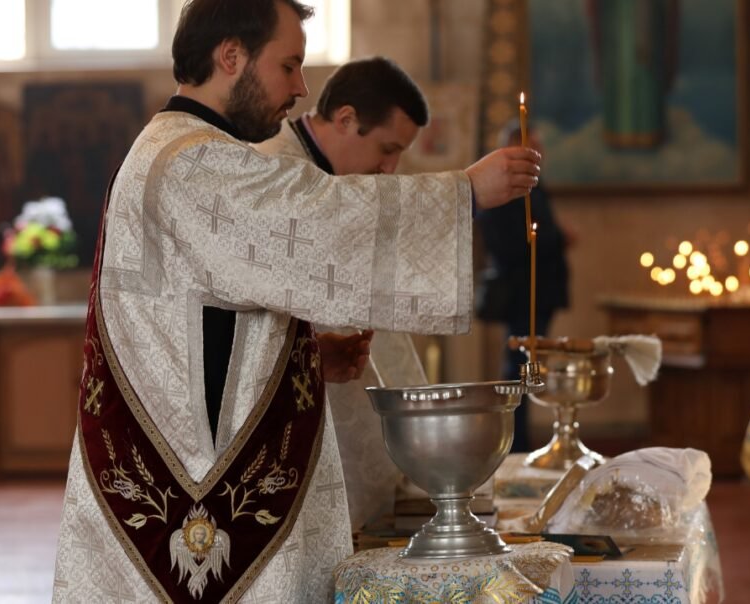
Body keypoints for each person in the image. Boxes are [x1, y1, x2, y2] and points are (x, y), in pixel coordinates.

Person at [52, 1, 541, 602]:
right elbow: (316, 214)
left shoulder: (178, 149)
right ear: (231, 56)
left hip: (189, 472)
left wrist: (305, 354)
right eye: (289, 65)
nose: (301, 86)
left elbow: (203, 327)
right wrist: (463, 192)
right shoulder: (192, 162)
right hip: (193, 500)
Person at [254, 56, 430, 532]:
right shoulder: (272, 171)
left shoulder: (347, 183)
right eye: (387, 149)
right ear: (347, 119)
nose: (390, 168)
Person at [476, 126, 570, 453]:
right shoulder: (501, 189)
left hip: (541, 288)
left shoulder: (533, 185)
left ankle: (521, 440)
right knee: (519, 367)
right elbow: (506, 240)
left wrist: (555, 238)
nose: (539, 154)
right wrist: (545, 241)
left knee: (529, 366)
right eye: (533, 147)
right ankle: (514, 444)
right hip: (522, 290)